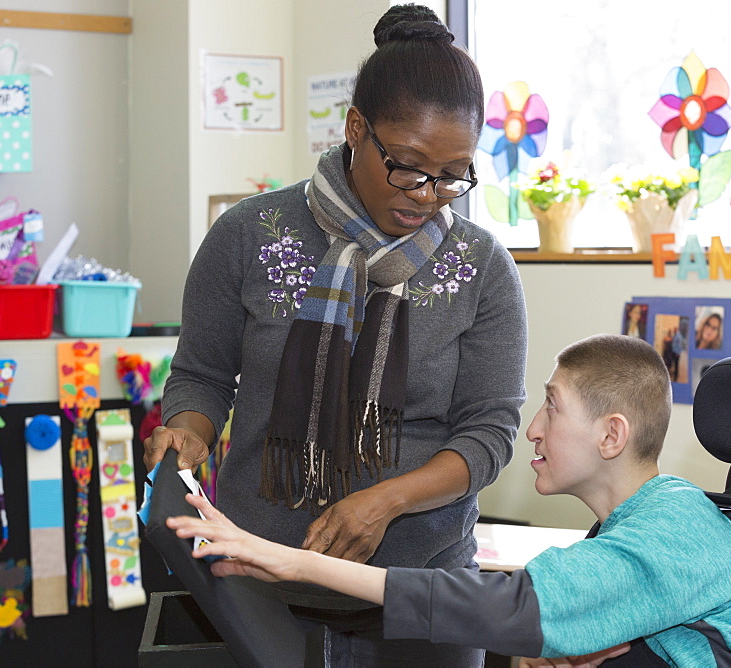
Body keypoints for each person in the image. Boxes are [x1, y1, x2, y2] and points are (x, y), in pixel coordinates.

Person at [146, 4, 527, 666]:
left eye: (453, 173)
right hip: (257, 584)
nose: (429, 193)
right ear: (356, 129)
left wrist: (383, 501)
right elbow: (203, 375)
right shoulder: (248, 234)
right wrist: (189, 432)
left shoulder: (482, 266)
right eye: (407, 165)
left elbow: (488, 436)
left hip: (423, 598)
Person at [168, 334, 731, 667]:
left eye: (551, 406)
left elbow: (508, 606)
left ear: (611, 435)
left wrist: (295, 561)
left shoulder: (675, 526)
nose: (533, 429)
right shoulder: (634, 526)